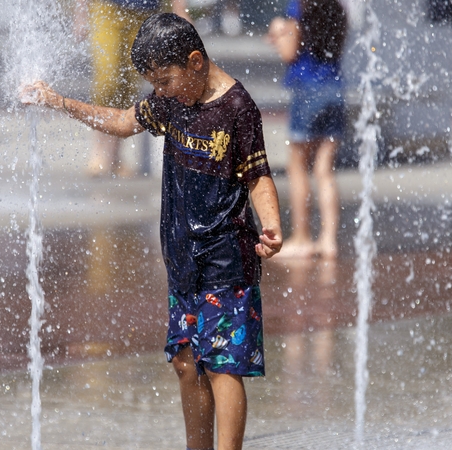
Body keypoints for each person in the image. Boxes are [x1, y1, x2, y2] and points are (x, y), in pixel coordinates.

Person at [21, 13, 282, 450]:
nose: (159, 92)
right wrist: (60, 102)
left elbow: (257, 175)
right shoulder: (173, 102)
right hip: (182, 259)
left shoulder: (237, 108)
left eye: (165, 80)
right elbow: (124, 122)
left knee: (223, 365)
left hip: (226, 259)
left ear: (196, 62)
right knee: (185, 361)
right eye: (154, 83)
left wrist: (272, 224)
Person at [266, 0, 347, 259]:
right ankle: (328, 241)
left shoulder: (298, 7)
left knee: (297, 165)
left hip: (308, 91)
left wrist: (279, 32)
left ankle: (302, 238)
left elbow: (290, 52)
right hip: (335, 89)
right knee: (324, 170)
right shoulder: (337, 8)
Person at [75, 0, 190, 178]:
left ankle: (114, 155)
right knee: (108, 79)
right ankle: (98, 151)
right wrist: (81, 12)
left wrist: (180, 9)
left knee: (127, 84)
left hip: (147, 12)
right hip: (108, 7)